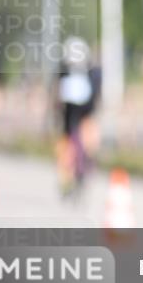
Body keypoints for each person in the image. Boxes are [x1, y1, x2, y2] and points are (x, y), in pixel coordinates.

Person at [53, 36, 102, 197]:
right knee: (69, 149)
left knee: (86, 141)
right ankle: (71, 178)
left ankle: (83, 167)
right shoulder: (68, 72)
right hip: (73, 116)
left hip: (82, 115)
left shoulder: (89, 72)